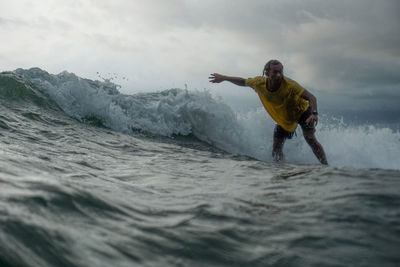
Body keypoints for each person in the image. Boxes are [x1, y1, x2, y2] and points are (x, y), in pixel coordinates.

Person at [209, 59, 328, 165]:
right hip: (284, 117)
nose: (279, 75)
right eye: (275, 72)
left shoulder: (290, 85)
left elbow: (312, 97)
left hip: (302, 112)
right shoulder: (259, 83)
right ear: (267, 73)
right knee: (276, 148)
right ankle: (281, 168)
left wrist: (314, 113)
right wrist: (224, 78)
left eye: (280, 71)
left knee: (310, 138)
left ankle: (325, 167)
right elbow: (243, 81)